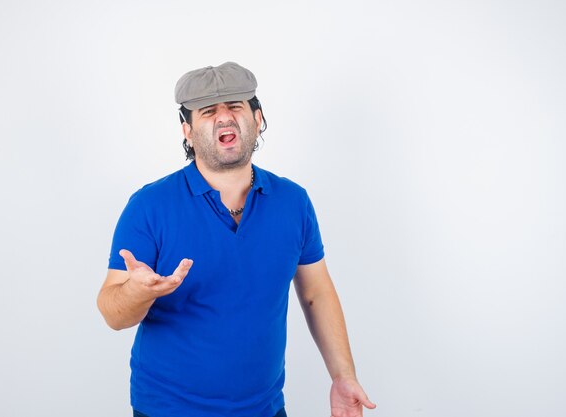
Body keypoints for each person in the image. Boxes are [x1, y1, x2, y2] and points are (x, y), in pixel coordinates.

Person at [97, 62, 375, 417]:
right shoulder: (150, 206)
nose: (224, 117)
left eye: (236, 106)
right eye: (209, 111)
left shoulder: (293, 202)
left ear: (257, 119)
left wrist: (343, 376)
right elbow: (112, 313)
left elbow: (315, 292)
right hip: (168, 409)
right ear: (187, 130)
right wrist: (138, 291)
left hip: (265, 409)